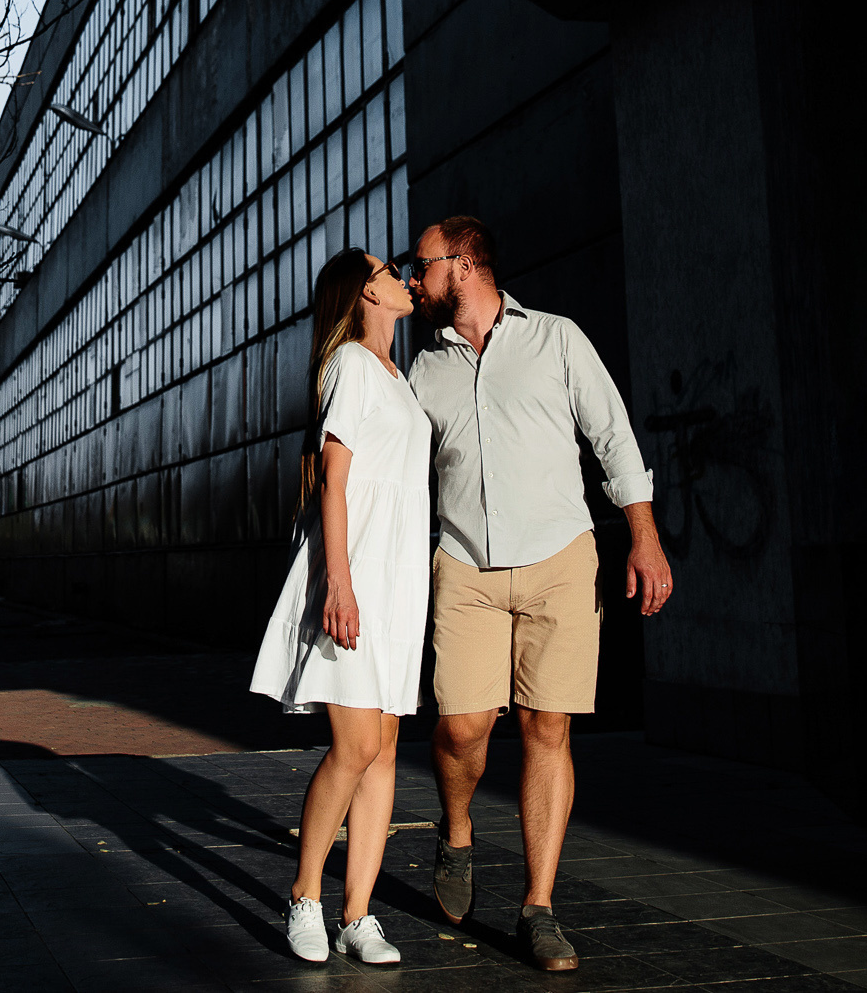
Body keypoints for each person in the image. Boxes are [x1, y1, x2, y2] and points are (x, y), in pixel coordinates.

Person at [403, 214, 673, 974]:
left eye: (421, 264)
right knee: (460, 729)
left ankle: (538, 907)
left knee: (546, 728)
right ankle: (456, 833)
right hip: (465, 566)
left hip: (560, 558)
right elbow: (390, 466)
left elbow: (614, 437)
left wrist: (643, 535)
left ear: (461, 264)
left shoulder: (557, 338)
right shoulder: (425, 370)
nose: (414, 277)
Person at [248, 249, 430, 966]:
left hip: (397, 578)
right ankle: (304, 896)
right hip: (356, 575)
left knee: (384, 750)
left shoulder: (395, 374)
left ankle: (358, 914)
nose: (406, 276)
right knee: (354, 746)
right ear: (364, 293)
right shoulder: (352, 363)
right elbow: (334, 478)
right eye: (392, 269)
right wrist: (340, 582)